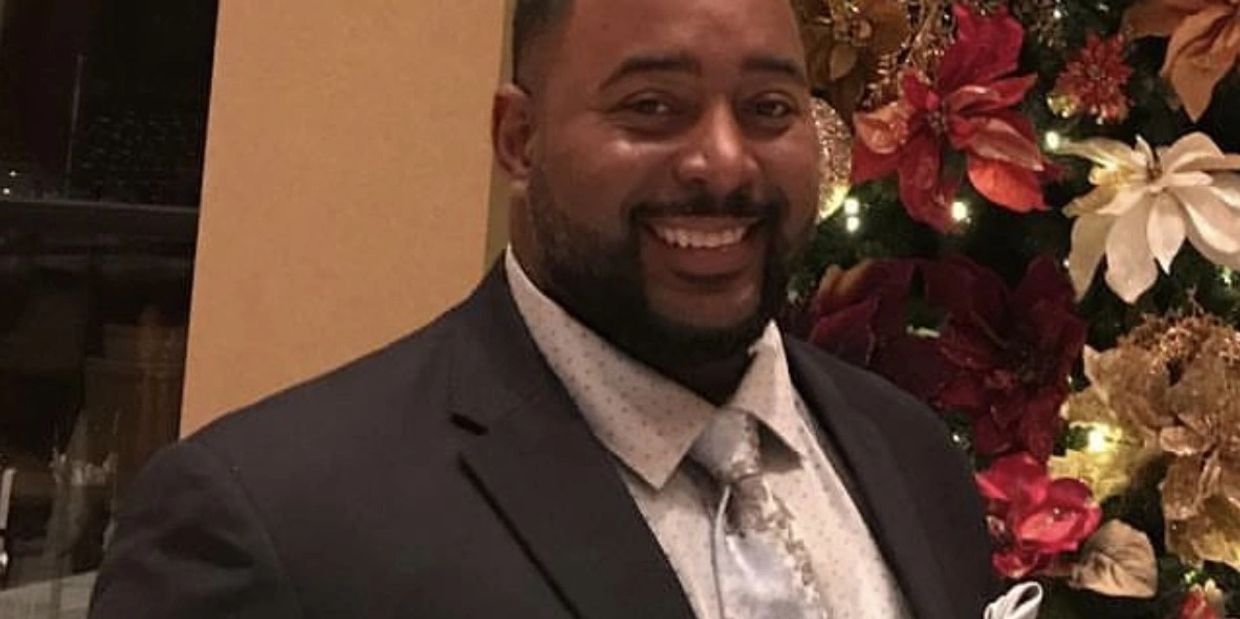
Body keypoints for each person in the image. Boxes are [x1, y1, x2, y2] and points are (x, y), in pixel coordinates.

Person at [88, 0, 998, 617]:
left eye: (767, 107)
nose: (723, 162)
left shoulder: (911, 456)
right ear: (517, 140)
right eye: (652, 107)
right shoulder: (267, 522)